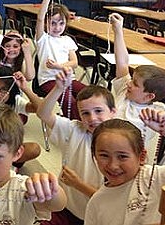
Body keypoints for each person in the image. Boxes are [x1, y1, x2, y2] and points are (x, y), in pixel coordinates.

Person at [36, 67, 117, 225]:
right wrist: (59, 88)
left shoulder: (119, 145)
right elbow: (43, 113)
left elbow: (112, 200)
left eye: (98, 111)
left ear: (113, 111)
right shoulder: (75, 129)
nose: (92, 118)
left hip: (94, 216)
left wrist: (78, 184)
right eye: (85, 113)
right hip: (63, 207)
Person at [85, 110, 165, 225]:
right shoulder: (96, 203)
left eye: (122, 156)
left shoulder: (158, 178)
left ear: (141, 157)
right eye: (104, 156)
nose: (113, 165)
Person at [110, 12, 165, 152]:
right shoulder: (124, 92)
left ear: (149, 96)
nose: (129, 83)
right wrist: (118, 30)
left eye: (135, 84)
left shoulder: (156, 113)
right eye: (132, 79)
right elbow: (122, 63)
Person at [35, 0, 86, 120]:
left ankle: (87, 119)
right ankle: (76, 125)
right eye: (53, 23)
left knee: (88, 94)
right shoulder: (43, 39)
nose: (57, 27)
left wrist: (58, 66)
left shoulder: (67, 40)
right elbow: (39, 18)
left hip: (69, 78)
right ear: (46, 23)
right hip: (49, 80)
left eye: (61, 23)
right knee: (69, 100)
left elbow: (74, 63)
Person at [0, 66, 42, 168]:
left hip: (6, 149)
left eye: (3, 90)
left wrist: (25, 88)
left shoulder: (15, 101)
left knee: (34, 149)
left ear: (10, 91)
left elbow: (41, 109)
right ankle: (3, 165)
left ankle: (3, 164)